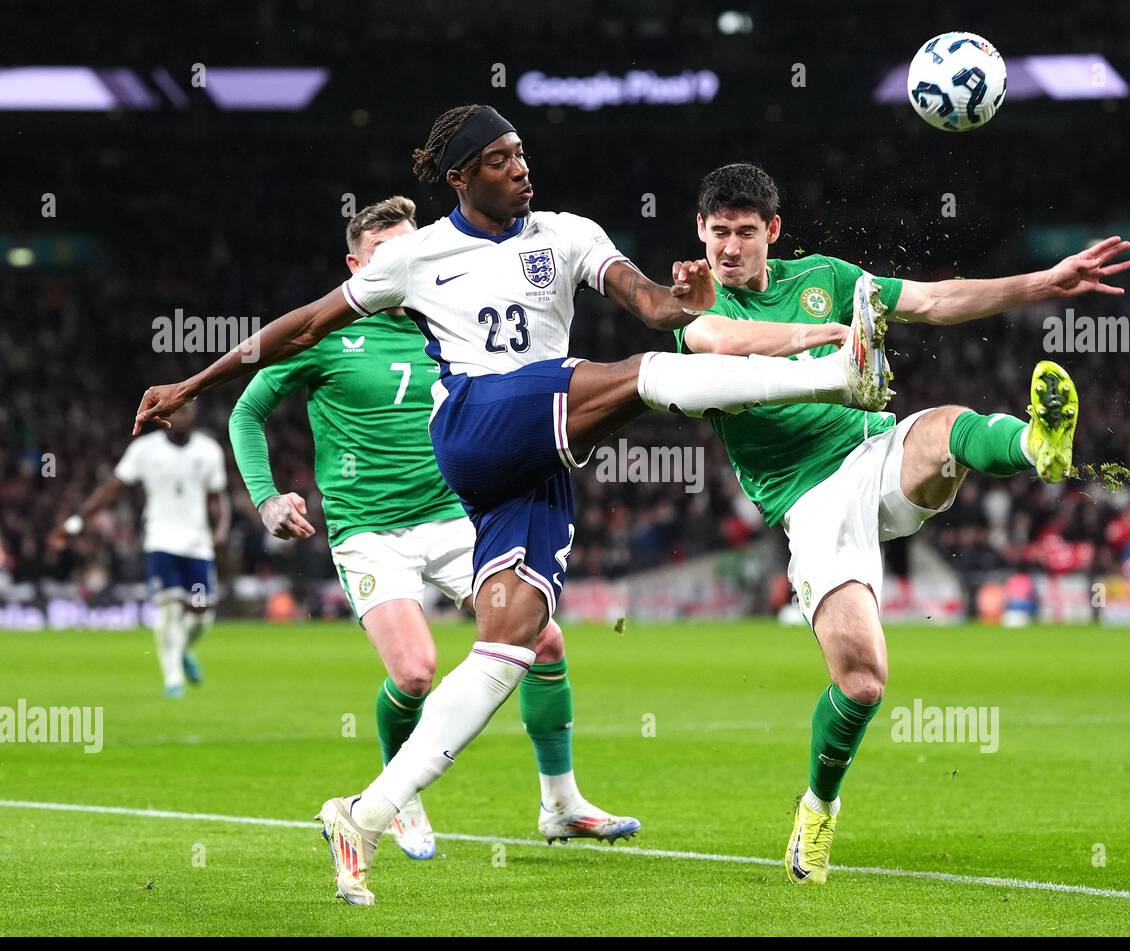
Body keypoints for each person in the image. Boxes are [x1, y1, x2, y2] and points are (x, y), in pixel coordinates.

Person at [132, 105, 878, 905]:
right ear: (459, 177)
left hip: (535, 458)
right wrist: (192, 384)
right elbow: (300, 326)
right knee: (638, 378)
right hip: (478, 423)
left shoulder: (568, 234)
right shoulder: (416, 256)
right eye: (498, 159)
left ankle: (366, 813)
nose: (520, 168)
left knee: (512, 644)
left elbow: (656, 308)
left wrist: (686, 295)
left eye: (520, 153)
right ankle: (838, 374)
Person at [674, 163, 1130, 883]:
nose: (729, 247)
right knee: (862, 681)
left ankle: (1034, 446)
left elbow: (934, 299)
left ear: (772, 232)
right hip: (809, 500)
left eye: (744, 232)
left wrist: (1044, 282)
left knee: (948, 426)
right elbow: (724, 346)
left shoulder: (822, 274)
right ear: (700, 233)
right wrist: (826, 340)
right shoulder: (691, 307)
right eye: (717, 232)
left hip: (872, 449)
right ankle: (818, 808)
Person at [227, 195, 639, 858]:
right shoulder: (328, 333)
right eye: (387, 255)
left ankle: (560, 804)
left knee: (546, 641)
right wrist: (267, 498)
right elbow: (245, 414)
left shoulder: (449, 319)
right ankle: (398, 796)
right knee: (417, 671)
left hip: (454, 518)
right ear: (357, 264)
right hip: (369, 531)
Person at [51, 403, 229, 698]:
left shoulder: (209, 451)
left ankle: (182, 649)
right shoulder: (145, 450)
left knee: (201, 615)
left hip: (197, 544)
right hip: (160, 542)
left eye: (187, 412)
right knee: (170, 611)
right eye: (177, 412)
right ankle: (173, 680)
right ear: (167, 417)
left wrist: (220, 532)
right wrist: (75, 523)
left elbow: (216, 498)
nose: (182, 417)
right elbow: (111, 488)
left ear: (195, 415)